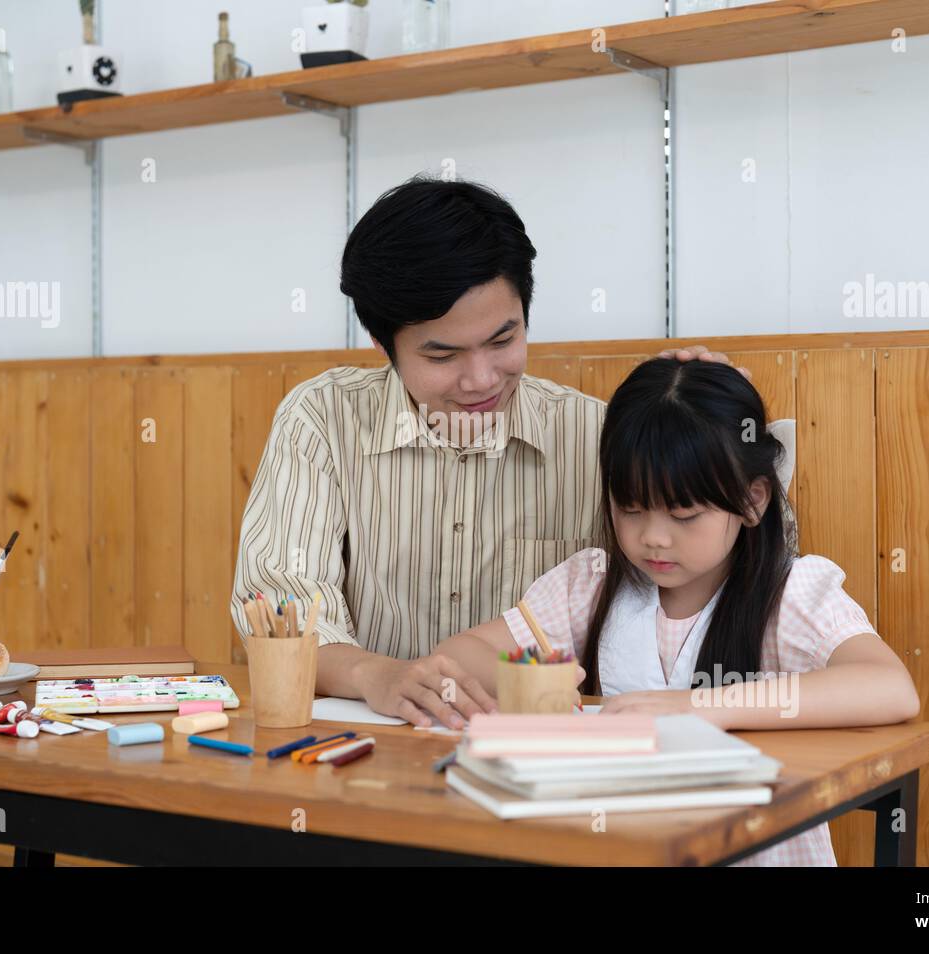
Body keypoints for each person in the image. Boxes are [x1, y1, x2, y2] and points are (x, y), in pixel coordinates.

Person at [232, 175, 746, 729]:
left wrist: (708, 433)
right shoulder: (322, 420)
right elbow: (280, 615)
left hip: (549, 761)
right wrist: (374, 675)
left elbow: (750, 561)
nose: (480, 380)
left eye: (503, 341)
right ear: (382, 343)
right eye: (442, 355)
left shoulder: (595, 433)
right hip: (368, 752)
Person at [434, 357, 920, 865]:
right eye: (631, 508)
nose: (654, 538)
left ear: (753, 501)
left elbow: (889, 687)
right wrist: (537, 689)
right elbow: (461, 653)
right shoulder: (592, 584)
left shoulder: (790, 591)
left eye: (685, 514)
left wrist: (696, 708)